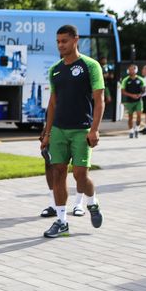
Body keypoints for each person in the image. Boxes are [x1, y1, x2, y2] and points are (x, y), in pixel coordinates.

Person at [40, 25, 104, 238]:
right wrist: (47, 133)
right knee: (58, 172)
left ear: (75, 40)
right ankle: (61, 221)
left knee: (80, 175)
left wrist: (94, 129)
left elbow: (99, 100)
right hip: (58, 129)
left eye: (64, 41)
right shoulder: (55, 69)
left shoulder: (90, 66)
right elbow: (53, 103)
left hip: (81, 130)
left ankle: (92, 201)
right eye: (58, 41)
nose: (60, 45)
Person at [120, 64, 146, 138]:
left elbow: (144, 89)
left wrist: (140, 94)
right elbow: (123, 91)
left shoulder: (141, 79)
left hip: (138, 101)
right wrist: (132, 95)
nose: (131, 71)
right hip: (129, 101)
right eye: (130, 69)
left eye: (132, 69)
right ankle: (131, 130)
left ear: (136, 70)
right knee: (130, 117)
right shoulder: (126, 80)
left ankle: (137, 129)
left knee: (139, 116)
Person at [141, 65, 146, 134]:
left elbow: (144, 89)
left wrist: (138, 94)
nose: (142, 71)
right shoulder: (145, 78)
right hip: (145, 96)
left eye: (143, 69)